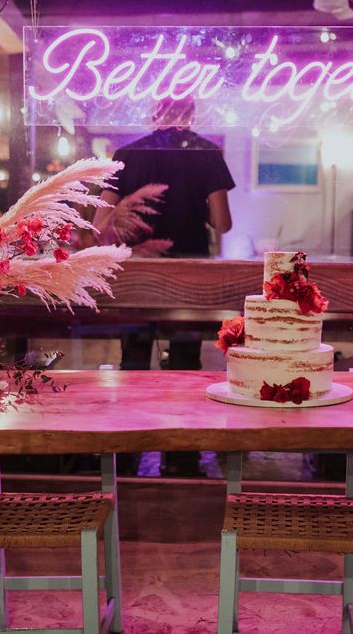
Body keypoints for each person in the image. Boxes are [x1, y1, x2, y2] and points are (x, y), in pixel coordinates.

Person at [94, 97, 235, 475]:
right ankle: (183, 460)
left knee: (135, 362)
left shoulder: (127, 154)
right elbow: (222, 223)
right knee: (186, 365)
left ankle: (126, 457)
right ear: (191, 116)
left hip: (137, 273)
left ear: (154, 114)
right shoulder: (207, 153)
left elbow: (100, 222)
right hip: (189, 273)